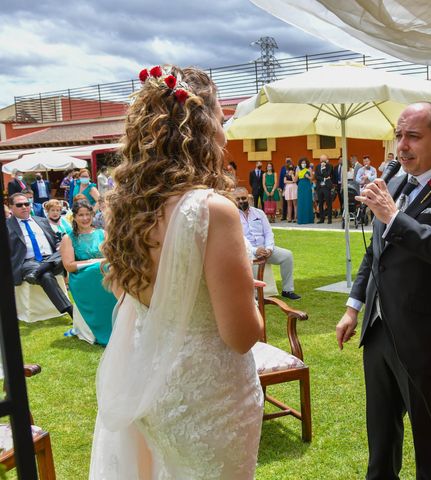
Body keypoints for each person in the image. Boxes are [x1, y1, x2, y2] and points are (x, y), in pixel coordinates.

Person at [90, 65, 264, 478]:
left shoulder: (127, 208)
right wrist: (247, 295)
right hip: (210, 397)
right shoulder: (210, 210)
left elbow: (140, 293)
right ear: (202, 127)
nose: (226, 131)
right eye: (222, 118)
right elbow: (241, 337)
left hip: (154, 388)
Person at [336, 102, 431, 480]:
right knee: (381, 437)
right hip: (379, 330)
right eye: (398, 135)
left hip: (424, 338)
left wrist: (392, 217)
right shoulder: (397, 182)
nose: (401, 146)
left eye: (413, 137)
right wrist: (354, 307)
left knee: (429, 444)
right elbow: (376, 252)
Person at [7, 193, 74, 319]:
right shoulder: (7, 226)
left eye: (27, 204)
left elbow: (55, 241)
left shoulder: (41, 221)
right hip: (28, 262)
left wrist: (60, 246)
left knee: (66, 248)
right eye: (19, 205)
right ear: (11, 207)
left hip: (52, 258)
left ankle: (40, 270)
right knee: (46, 276)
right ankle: (71, 310)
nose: (24, 207)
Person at [60, 201, 117, 346]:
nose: (85, 218)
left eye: (88, 214)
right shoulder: (69, 238)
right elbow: (69, 266)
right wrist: (92, 262)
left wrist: (99, 262)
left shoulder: (102, 233)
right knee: (98, 269)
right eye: (81, 215)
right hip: (82, 277)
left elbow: (112, 256)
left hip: (104, 270)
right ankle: (100, 329)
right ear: (74, 217)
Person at [235, 187, 301, 300]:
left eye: (243, 198)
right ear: (233, 200)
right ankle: (253, 294)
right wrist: (255, 250)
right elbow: (239, 238)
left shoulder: (259, 213)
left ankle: (287, 290)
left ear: (248, 197)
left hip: (266, 249)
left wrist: (269, 248)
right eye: (238, 199)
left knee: (287, 255)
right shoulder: (233, 216)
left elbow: (268, 232)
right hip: (248, 251)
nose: (241, 201)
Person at [315, 155, 334, 224]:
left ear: (326, 160)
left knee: (328, 203)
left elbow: (327, 174)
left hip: (326, 187)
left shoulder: (330, 166)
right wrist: (323, 179)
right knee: (320, 203)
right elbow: (316, 176)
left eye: (324, 160)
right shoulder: (317, 166)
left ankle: (329, 219)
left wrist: (323, 168)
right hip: (320, 187)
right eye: (321, 160)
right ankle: (321, 219)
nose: (322, 161)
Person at [296, 157, 314, 224]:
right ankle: (301, 219)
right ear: (300, 164)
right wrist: (292, 174)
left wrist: (308, 177)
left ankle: (308, 219)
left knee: (307, 201)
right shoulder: (298, 170)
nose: (303, 164)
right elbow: (295, 180)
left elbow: (312, 178)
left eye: (305, 163)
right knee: (301, 202)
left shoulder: (309, 169)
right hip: (300, 185)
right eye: (302, 163)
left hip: (307, 185)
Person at [279, 157, 293, 221]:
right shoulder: (283, 168)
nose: (288, 161)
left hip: (292, 187)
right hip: (284, 187)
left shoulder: (293, 167)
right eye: (287, 160)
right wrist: (280, 187)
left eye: (289, 160)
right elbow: (281, 178)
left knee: (292, 202)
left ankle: (292, 216)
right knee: (284, 202)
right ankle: (284, 216)